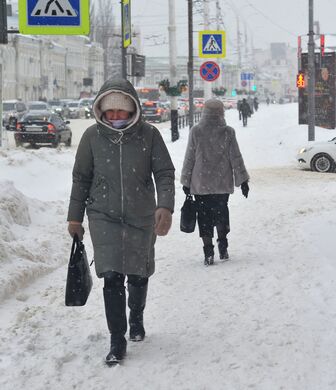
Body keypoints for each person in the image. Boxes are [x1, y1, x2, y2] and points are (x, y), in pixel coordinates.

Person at [67, 78, 175, 366]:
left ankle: (136, 316)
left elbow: (164, 172)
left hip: (141, 215)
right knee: (112, 275)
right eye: (110, 111)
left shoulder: (149, 135)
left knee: (139, 273)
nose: (115, 116)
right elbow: (81, 178)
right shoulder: (92, 137)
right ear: (101, 110)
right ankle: (117, 338)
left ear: (132, 110)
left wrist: (165, 206)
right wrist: (74, 217)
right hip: (103, 215)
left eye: (121, 111)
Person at [180, 99, 249, 266]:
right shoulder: (228, 132)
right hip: (221, 182)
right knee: (221, 213)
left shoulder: (196, 131)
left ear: (204, 112)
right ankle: (223, 245)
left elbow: (189, 158)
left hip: (201, 183)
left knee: (204, 217)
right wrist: (243, 180)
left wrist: (186, 181)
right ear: (221, 113)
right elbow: (236, 157)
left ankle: (208, 251)